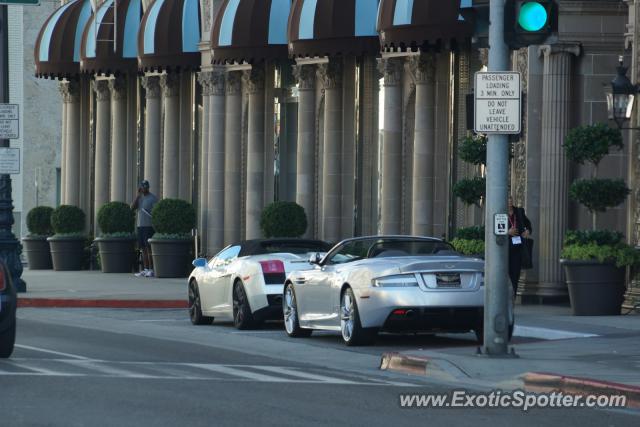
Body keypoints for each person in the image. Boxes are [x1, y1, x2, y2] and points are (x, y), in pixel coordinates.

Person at [131, 180, 158, 277]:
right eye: (142, 187)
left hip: (148, 226)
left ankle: (151, 269)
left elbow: (156, 212)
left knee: (148, 248)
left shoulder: (153, 198)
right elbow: (132, 208)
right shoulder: (140, 198)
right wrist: (138, 196)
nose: (144, 189)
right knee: (143, 248)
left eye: (146, 187)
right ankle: (146, 269)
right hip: (140, 226)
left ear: (148, 188)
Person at [507, 195, 532, 295]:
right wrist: (507, 232)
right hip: (506, 248)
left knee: (515, 274)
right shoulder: (500, 212)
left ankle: (513, 297)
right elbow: (494, 229)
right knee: (506, 274)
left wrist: (527, 231)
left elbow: (528, 224)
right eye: (507, 199)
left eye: (510, 199)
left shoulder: (519, 211)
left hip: (518, 248)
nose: (509, 201)